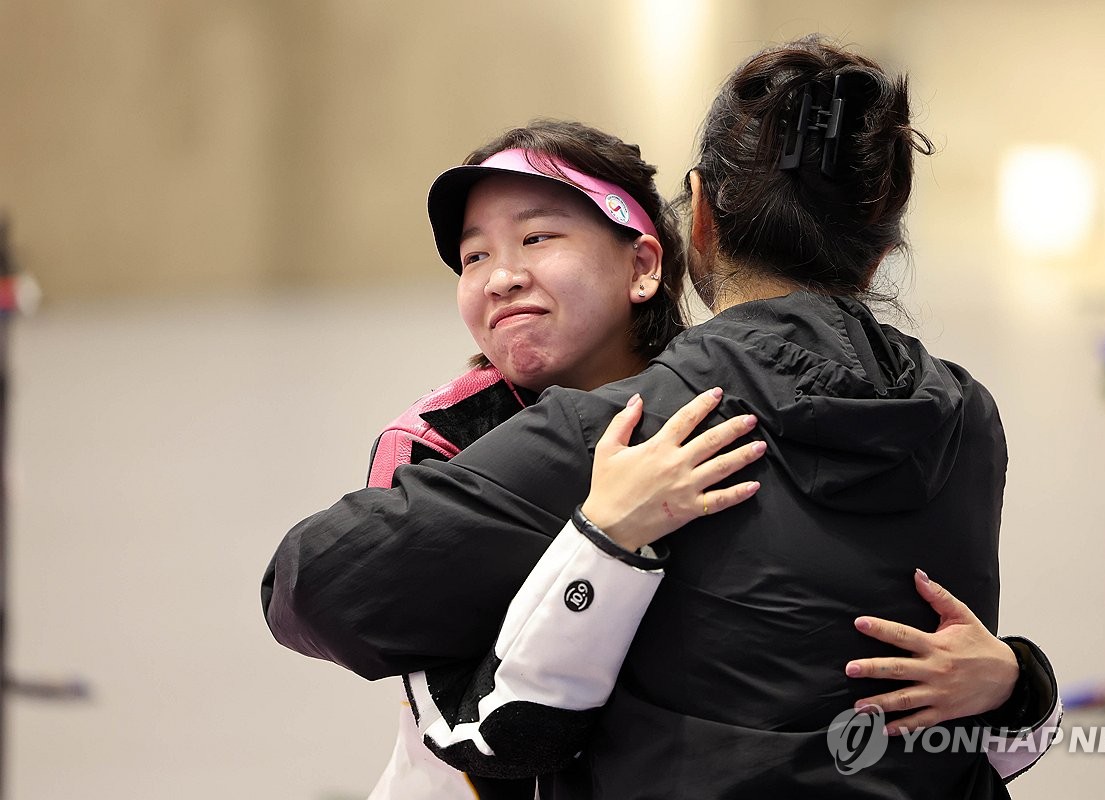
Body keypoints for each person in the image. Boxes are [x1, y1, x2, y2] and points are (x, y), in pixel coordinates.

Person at [265, 46, 1060, 795]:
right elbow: (938, 731)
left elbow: (310, 584)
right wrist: (1022, 684)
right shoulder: (968, 421)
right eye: (473, 256)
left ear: (687, 230)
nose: (504, 276)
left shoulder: (642, 426)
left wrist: (600, 540)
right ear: (884, 243)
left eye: (540, 236)